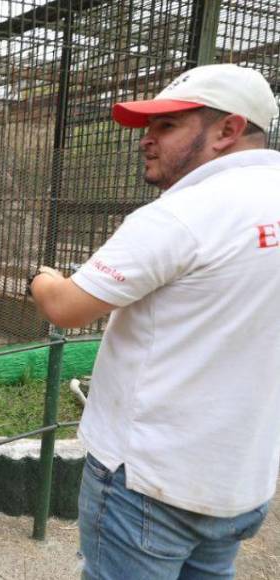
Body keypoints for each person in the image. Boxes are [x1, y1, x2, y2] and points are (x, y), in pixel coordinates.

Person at [28, 63, 280, 579]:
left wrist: (41, 279)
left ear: (228, 130)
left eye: (168, 126)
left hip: (147, 480)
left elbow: (67, 308)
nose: (147, 140)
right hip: (239, 482)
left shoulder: (182, 214)